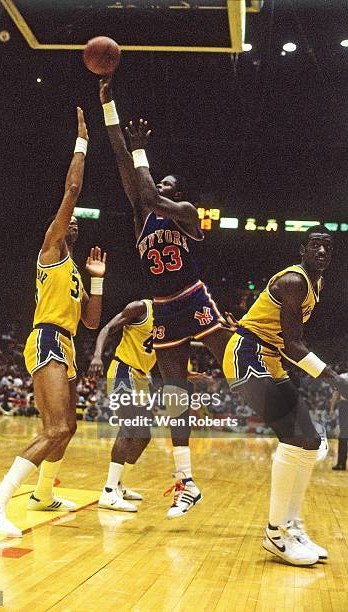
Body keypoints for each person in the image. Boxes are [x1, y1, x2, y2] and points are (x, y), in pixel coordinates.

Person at [99, 77, 231, 518]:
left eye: (171, 185)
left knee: (235, 362)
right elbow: (122, 160)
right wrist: (108, 106)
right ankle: (186, 481)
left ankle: (291, 420)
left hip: (192, 296)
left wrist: (142, 155)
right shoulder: (143, 218)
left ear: (179, 194)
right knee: (174, 395)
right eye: (162, 185)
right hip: (165, 310)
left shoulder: (185, 214)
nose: (164, 189)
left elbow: (149, 190)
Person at [0, 107, 107, 537]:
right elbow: (71, 189)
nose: (71, 227)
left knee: (68, 429)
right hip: (47, 337)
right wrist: (82, 143)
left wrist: (97, 281)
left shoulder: (72, 272)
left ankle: (43, 494)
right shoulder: (50, 252)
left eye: (74, 227)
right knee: (56, 428)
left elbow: (90, 322)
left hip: (67, 343)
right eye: (67, 223)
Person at [223, 225, 348, 566]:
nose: (322, 252)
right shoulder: (294, 281)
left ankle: (292, 525)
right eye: (316, 246)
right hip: (247, 357)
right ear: (302, 249)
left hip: (270, 359)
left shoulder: (315, 283)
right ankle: (275, 534)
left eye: (328, 248)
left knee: (309, 442)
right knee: (296, 439)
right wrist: (334, 379)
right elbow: (294, 345)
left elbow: (287, 342)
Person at [88, 299, 156, 512]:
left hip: (142, 377)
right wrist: (98, 356)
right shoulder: (141, 308)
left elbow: (159, 353)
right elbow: (107, 328)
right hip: (123, 370)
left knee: (144, 435)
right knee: (128, 427)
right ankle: (108, 492)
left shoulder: (169, 319)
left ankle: (118, 484)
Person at [330, 370, 348, 470]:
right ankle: (341, 463)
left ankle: (341, 464)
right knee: (343, 435)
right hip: (344, 406)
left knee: (343, 435)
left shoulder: (342, 377)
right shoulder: (342, 377)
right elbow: (336, 393)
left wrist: (332, 409)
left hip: (344, 406)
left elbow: (336, 394)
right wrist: (332, 408)